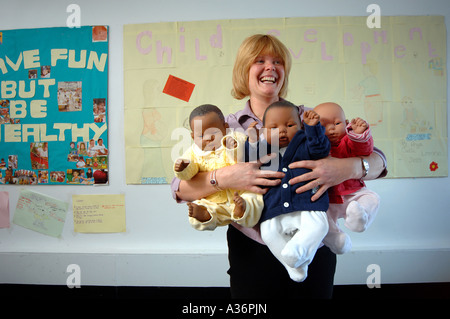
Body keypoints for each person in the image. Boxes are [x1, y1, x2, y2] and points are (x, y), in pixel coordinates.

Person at [171, 34, 387, 298]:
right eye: (259, 60)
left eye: (278, 61)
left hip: (312, 243)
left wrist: (345, 169)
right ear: (244, 71)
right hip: (253, 250)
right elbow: (180, 189)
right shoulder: (224, 125)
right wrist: (225, 177)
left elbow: (377, 161)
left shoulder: (311, 117)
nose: (271, 67)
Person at [249, 101, 330, 282]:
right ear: (264, 131)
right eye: (273, 127)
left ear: (300, 125)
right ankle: (296, 266)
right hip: (274, 206)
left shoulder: (305, 144)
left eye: (290, 125)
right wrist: (253, 141)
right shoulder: (264, 150)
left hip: (307, 201)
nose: (282, 130)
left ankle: (296, 251)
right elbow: (248, 160)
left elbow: (321, 149)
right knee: (269, 234)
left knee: (320, 226)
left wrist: (313, 129)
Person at [173, 104, 263, 231]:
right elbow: (188, 175)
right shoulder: (193, 152)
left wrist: (232, 147)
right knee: (202, 204)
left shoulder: (233, 137)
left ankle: (242, 209)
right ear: (193, 137)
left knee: (253, 199)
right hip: (214, 198)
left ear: (225, 128)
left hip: (241, 192)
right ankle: (205, 214)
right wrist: (183, 168)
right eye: (201, 136)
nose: (208, 138)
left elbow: (241, 155)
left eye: (214, 132)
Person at [314, 102, 381, 255]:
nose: (331, 128)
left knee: (372, 198)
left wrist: (358, 134)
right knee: (322, 220)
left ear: (346, 124)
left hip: (352, 193)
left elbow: (365, 151)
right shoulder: (317, 146)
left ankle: (359, 219)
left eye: (337, 123)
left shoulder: (349, 142)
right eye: (323, 126)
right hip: (327, 198)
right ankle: (337, 241)